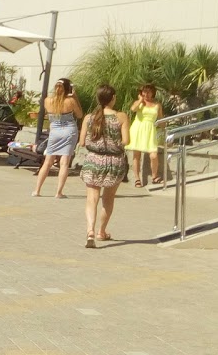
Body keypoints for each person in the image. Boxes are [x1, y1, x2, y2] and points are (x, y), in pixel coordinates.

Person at [80, 84, 129, 247]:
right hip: (114, 162)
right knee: (108, 199)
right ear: (113, 98)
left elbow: (81, 142)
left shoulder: (89, 118)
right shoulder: (121, 117)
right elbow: (126, 141)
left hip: (93, 160)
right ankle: (102, 231)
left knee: (91, 199)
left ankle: (90, 231)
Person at [32, 78, 83, 198]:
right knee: (64, 163)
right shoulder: (70, 101)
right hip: (69, 131)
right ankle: (58, 192)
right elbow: (80, 115)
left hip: (55, 132)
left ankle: (37, 190)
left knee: (48, 162)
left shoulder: (47, 101)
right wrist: (75, 97)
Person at [127, 84, 164, 188]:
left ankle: (155, 176)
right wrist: (140, 100)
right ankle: (137, 178)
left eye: (148, 92)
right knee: (137, 155)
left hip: (150, 129)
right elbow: (133, 109)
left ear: (152, 93)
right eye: (144, 91)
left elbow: (161, 120)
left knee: (153, 155)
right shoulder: (139, 103)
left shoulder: (157, 105)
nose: (146, 94)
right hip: (138, 128)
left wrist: (164, 129)